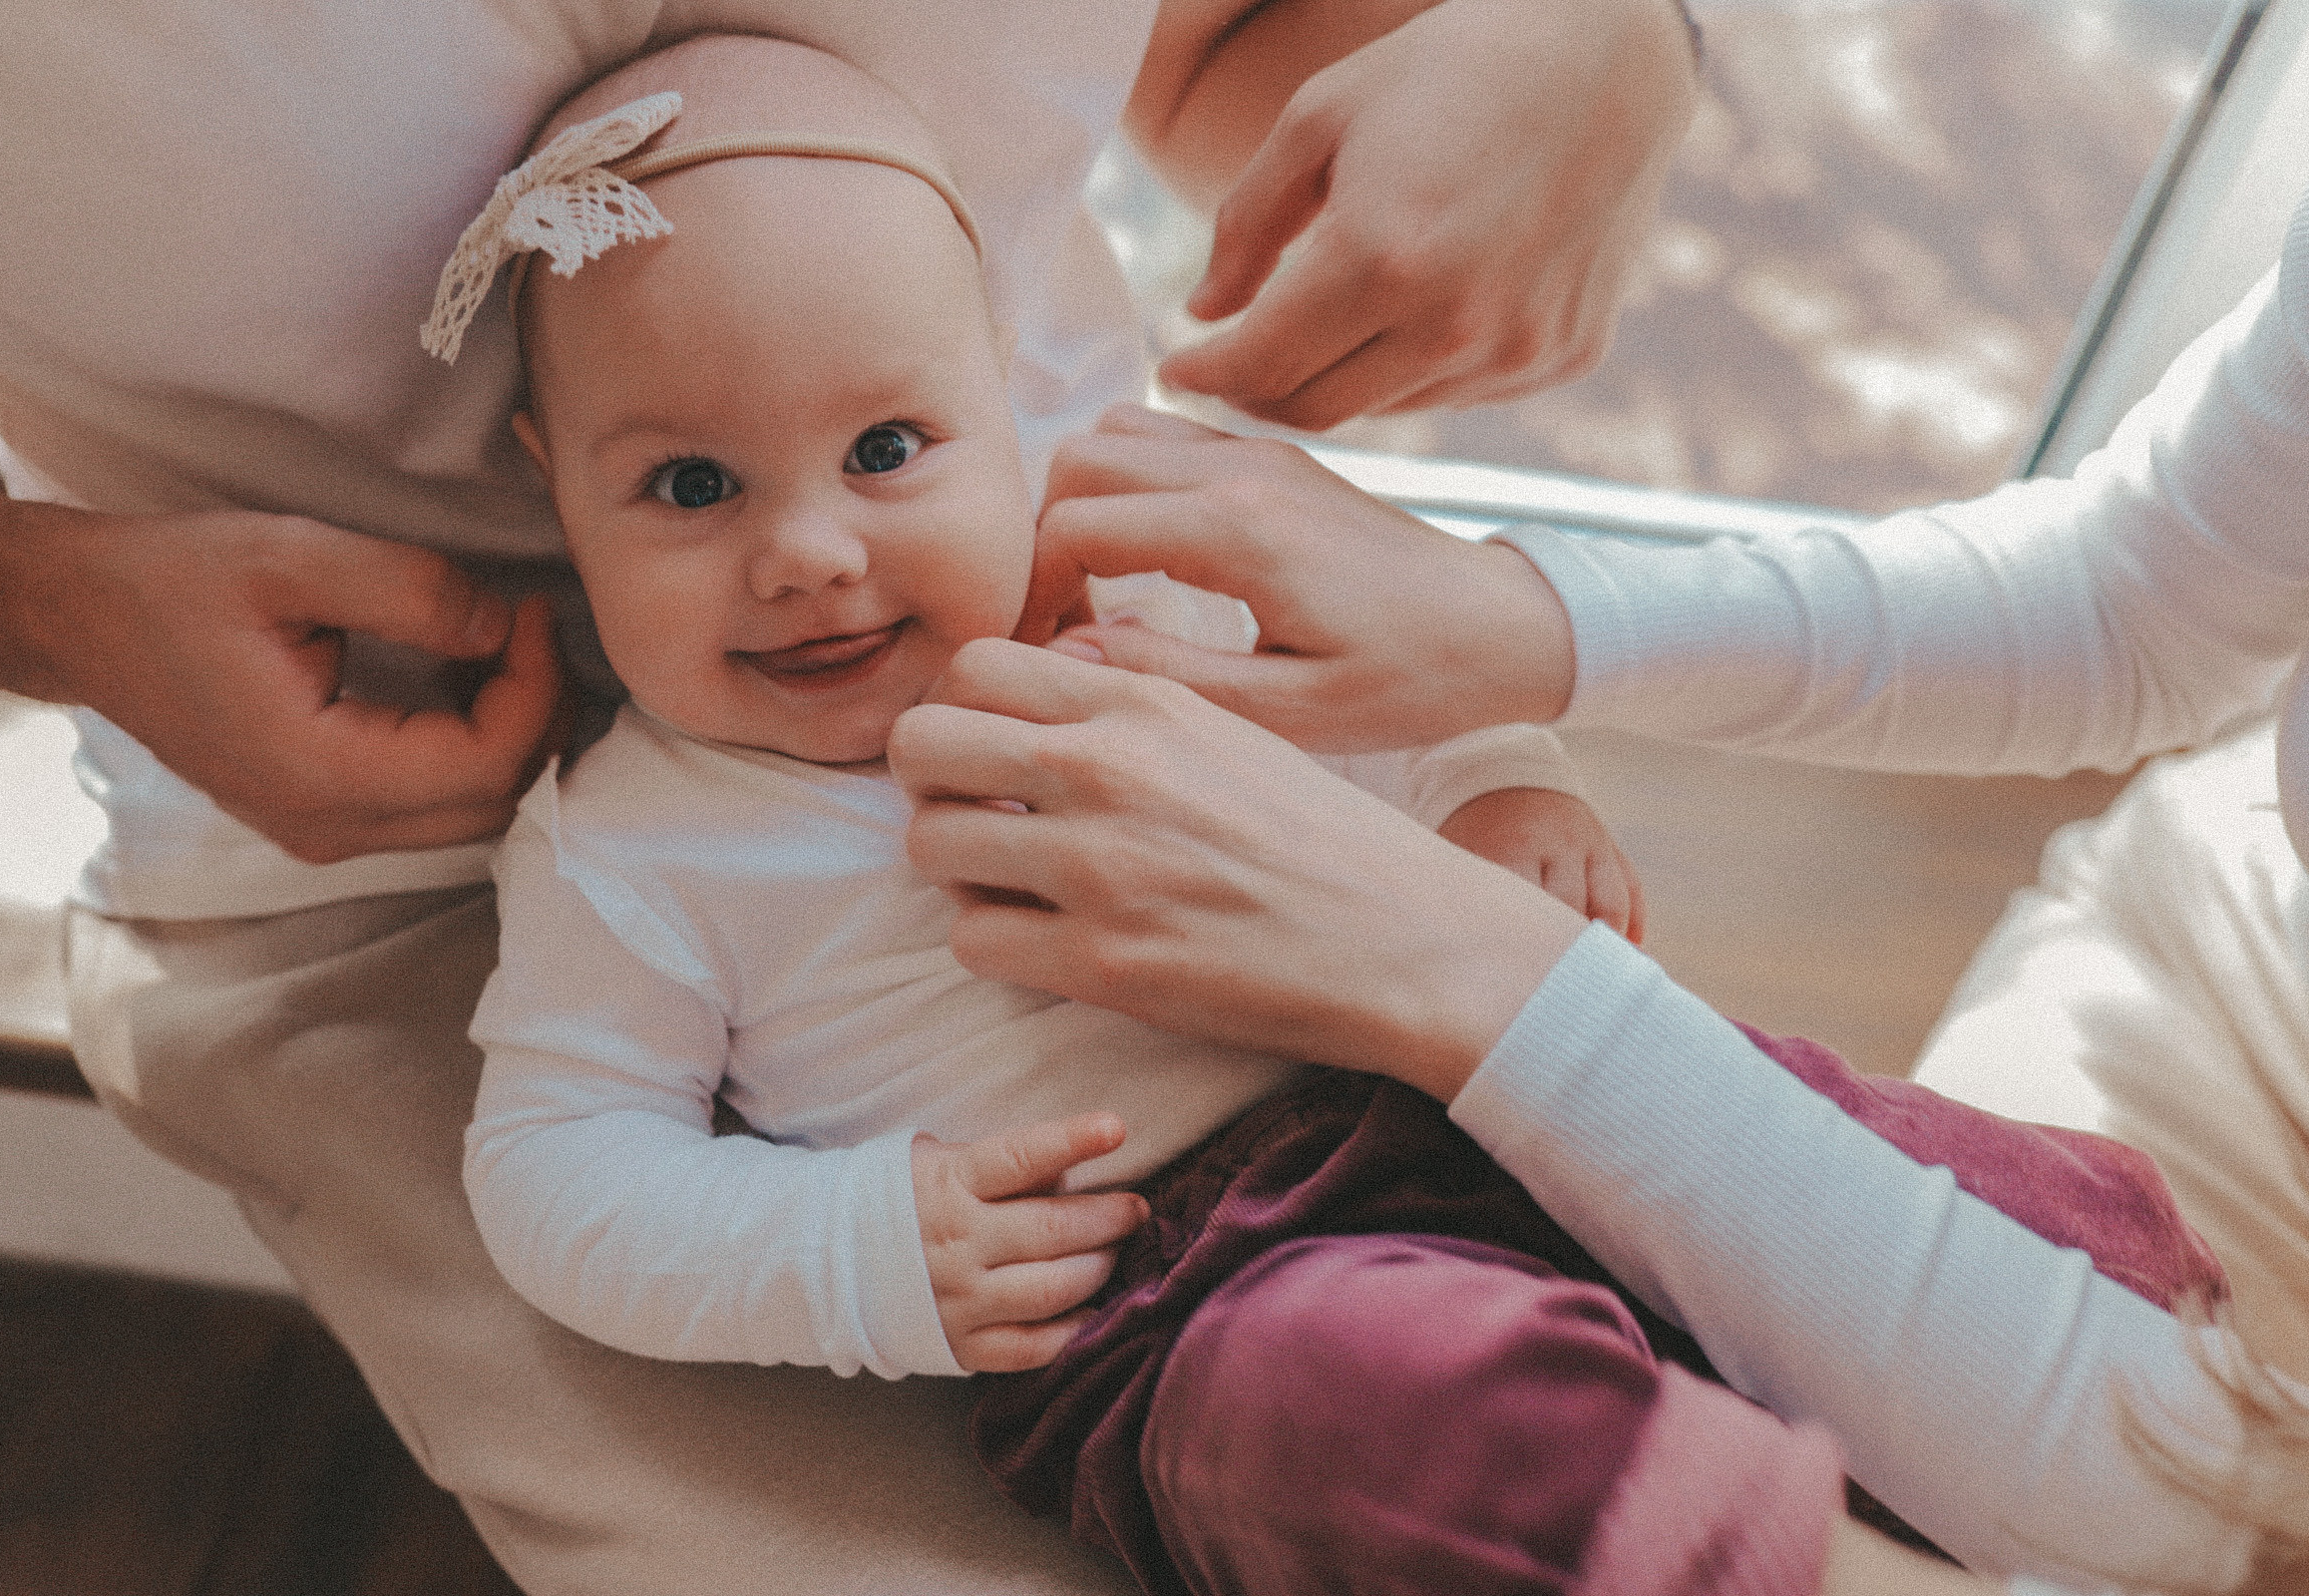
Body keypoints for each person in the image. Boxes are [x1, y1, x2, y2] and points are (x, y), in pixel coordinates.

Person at [0, 1, 1705, 1590]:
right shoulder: (629, 864)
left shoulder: (1148, 609)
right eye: (692, 483)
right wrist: (16, 587)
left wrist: (1590, 39)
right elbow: (568, 1171)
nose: (810, 560)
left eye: (886, 452)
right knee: (1415, 1438)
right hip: (381, 861)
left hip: (1438, 1093)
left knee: (1819, 1224)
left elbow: (1394, 695)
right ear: (560, 482)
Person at [888, 181, 2309, 1591]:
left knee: (1364, 1398)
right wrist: (1518, 622)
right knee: (2019, 1206)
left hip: (2191, 1447)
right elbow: (2142, 600)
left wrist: (1478, 969)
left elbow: (2232, 1524)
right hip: (2223, 966)